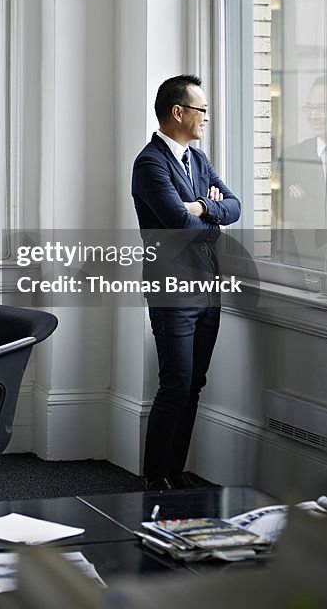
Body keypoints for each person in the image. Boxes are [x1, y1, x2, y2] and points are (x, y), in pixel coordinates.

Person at [132, 74, 241, 490]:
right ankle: (155, 477)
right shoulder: (149, 163)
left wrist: (201, 209)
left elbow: (234, 207)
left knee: (194, 384)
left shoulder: (198, 159)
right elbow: (178, 225)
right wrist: (204, 212)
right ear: (178, 112)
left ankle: (175, 472)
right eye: (202, 110)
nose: (206, 119)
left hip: (207, 289)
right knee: (175, 383)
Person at [276, 75, 327, 270]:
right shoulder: (293, 156)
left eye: (322, 108)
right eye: (309, 108)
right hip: (305, 263)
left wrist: (307, 201)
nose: (314, 115)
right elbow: (283, 210)